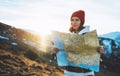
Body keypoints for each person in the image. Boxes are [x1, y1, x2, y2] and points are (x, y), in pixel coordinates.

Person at [52, 10, 104, 76]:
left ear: (81, 21)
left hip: (85, 74)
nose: (74, 22)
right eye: (72, 20)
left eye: (77, 20)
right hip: (69, 73)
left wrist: (99, 51)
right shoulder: (68, 36)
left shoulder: (88, 36)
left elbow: (95, 59)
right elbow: (63, 56)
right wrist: (55, 52)